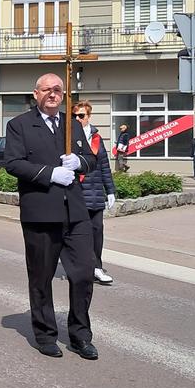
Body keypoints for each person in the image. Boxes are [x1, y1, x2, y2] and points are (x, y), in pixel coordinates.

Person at [5, 73, 98, 360]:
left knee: (83, 273)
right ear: (36, 94)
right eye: (47, 90)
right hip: (41, 213)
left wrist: (80, 162)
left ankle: (80, 335)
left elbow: (91, 160)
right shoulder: (19, 125)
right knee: (42, 277)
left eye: (58, 90)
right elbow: (13, 163)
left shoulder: (71, 125)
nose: (53, 94)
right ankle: (45, 334)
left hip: (75, 212)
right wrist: (49, 174)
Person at [72, 101, 115, 285]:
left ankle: (96, 266)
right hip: (77, 193)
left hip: (95, 193)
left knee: (97, 231)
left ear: (89, 117)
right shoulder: (68, 137)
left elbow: (104, 166)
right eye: (75, 116)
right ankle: (86, 267)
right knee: (79, 233)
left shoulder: (97, 138)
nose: (77, 119)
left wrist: (110, 190)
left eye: (81, 116)